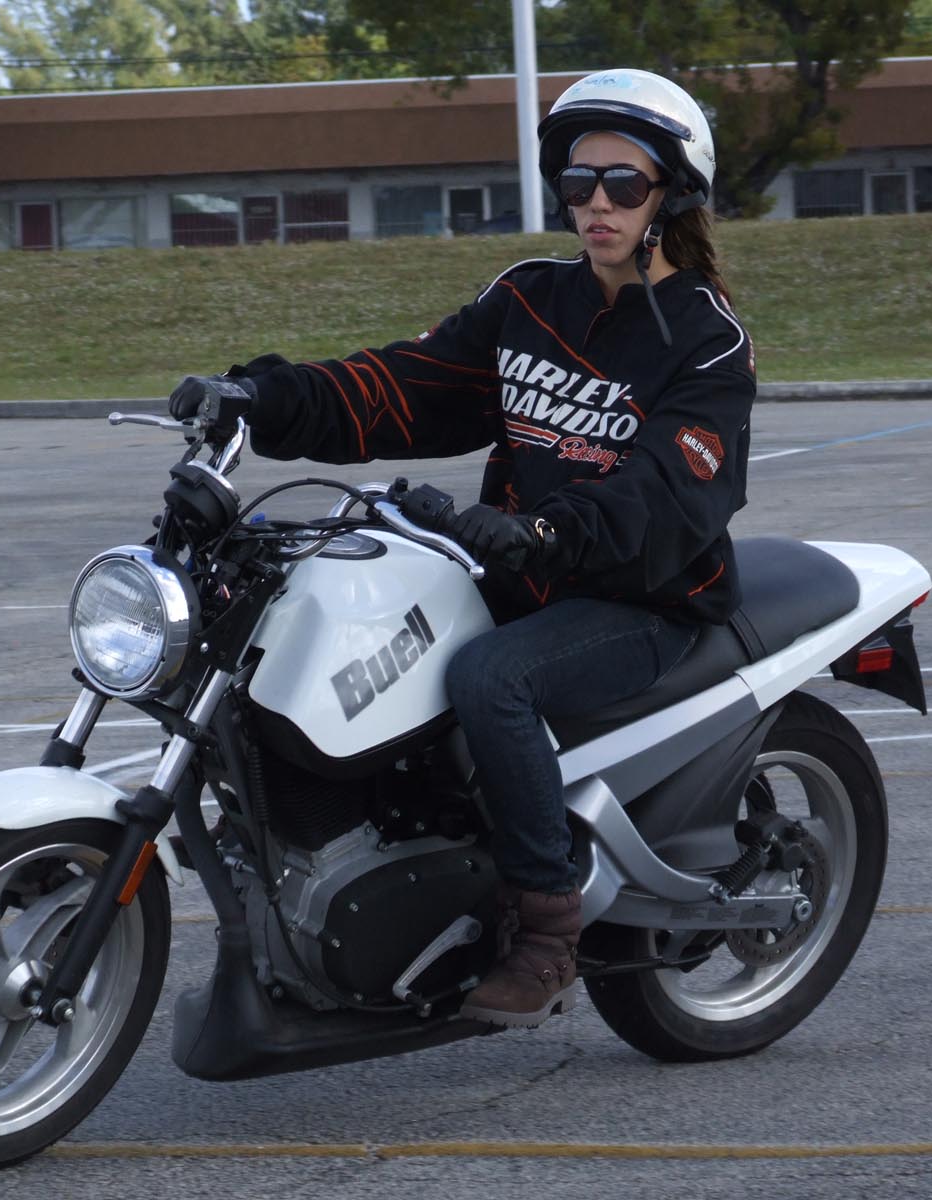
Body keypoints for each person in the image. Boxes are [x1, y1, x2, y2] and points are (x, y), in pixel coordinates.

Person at [168, 68, 755, 1028]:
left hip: (643, 598)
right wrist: (262, 399)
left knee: (492, 680)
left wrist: (545, 530)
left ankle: (547, 932)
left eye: (623, 183)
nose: (597, 204)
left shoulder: (706, 340)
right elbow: (405, 383)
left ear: (673, 194)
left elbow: (666, 496)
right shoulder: (531, 299)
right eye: (579, 182)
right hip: (514, 569)